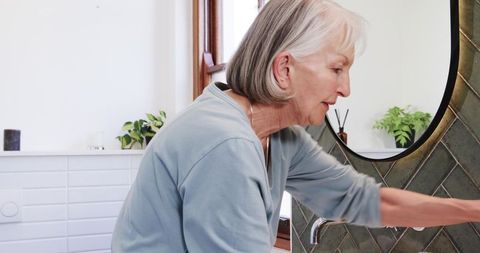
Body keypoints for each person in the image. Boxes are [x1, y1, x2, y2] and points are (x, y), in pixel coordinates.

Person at [112, 0, 480, 252]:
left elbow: (364, 200)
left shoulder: (278, 137)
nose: (346, 89)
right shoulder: (224, 143)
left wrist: (472, 210)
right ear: (285, 68)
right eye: (337, 68)